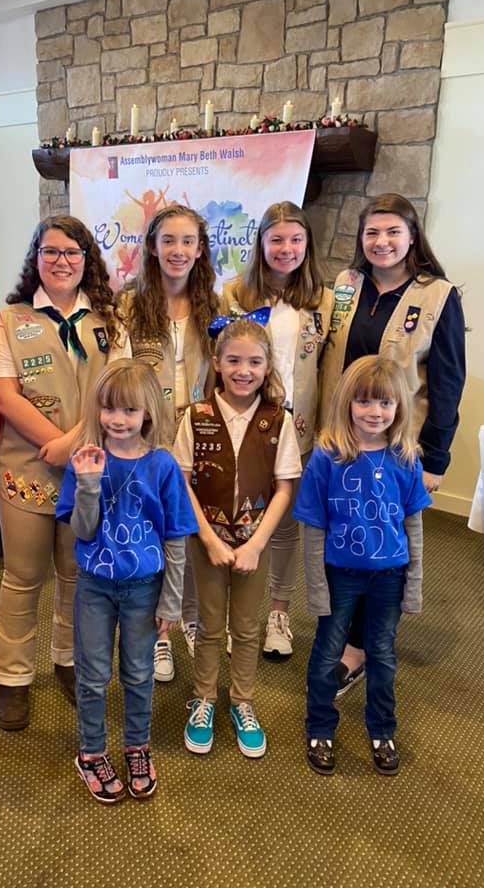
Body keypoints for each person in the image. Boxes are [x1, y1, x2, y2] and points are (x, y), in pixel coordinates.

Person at [318, 193, 465, 694]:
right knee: (343, 541)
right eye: (372, 233)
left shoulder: (438, 296)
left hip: (400, 450)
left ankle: (360, 648)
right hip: (342, 442)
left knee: (385, 547)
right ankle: (341, 634)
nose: (381, 242)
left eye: (392, 233)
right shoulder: (345, 286)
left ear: (411, 236)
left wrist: (437, 457)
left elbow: (448, 382)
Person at [0, 216, 116, 730]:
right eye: (51, 251)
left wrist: (75, 441)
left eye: (73, 253)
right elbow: (3, 394)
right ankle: (12, 678)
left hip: (90, 469)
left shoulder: (110, 320)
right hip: (27, 469)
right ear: (35, 257)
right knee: (22, 578)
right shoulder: (8, 320)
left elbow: (119, 393)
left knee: (77, 575)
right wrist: (53, 443)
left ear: (87, 260)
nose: (62, 262)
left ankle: (67, 661)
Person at [56, 360, 197, 803]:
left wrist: (171, 603)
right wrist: (89, 484)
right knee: (93, 677)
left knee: (139, 675)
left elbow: (176, 539)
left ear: (148, 414)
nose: (118, 420)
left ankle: (137, 747)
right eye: (109, 409)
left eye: (129, 412)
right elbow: (82, 529)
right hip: (95, 586)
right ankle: (91, 752)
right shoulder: (85, 460)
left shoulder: (163, 465)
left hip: (144, 588)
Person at [295, 356, 431, 776]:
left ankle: (382, 729)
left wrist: (414, 585)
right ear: (347, 404)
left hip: (389, 576)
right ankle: (320, 726)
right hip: (341, 575)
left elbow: (414, 527)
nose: (375, 413)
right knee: (326, 653)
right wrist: (316, 587)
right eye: (365, 402)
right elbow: (314, 528)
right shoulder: (327, 457)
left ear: (399, 408)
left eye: (385, 404)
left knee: (383, 656)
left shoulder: (406, 457)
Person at [175, 318, 301, 758]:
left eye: (254, 361)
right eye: (233, 360)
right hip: (206, 539)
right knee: (210, 625)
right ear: (217, 363)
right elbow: (183, 482)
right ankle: (204, 699)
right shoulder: (197, 416)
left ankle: (242, 701)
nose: (243, 370)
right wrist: (208, 539)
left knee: (247, 627)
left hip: (253, 542)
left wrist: (256, 543)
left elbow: (285, 488)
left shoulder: (277, 421)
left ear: (267, 367)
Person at [222, 201, 333, 659]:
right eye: (276, 239)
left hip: (300, 427)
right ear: (261, 243)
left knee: (285, 524)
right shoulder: (234, 294)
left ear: (306, 245)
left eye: (295, 240)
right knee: (237, 518)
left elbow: (332, 365)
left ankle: (279, 612)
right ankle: (234, 615)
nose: (286, 249)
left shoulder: (323, 299)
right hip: (246, 426)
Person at [114, 205, 219, 682]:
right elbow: (119, 376)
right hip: (148, 440)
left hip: (200, 436)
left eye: (188, 242)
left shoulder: (214, 307)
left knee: (193, 530)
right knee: (153, 532)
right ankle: (158, 635)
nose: (178, 251)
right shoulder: (127, 307)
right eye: (169, 241)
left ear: (200, 250)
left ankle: (191, 617)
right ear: (153, 247)